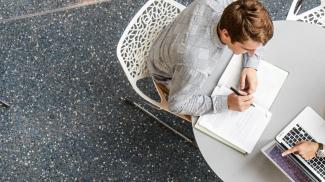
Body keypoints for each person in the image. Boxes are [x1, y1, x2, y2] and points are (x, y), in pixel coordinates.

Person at [147, 0, 273, 116]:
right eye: (247, 49)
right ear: (226, 34)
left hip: (175, 38)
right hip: (167, 73)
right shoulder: (195, 67)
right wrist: (226, 103)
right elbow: (177, 105)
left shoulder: (235, 5)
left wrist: (251, 65)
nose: (252, 53)